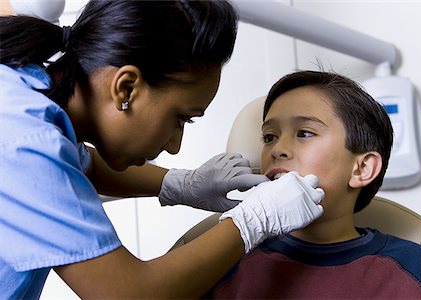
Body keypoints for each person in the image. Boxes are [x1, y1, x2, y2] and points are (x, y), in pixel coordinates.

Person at [0, 1, 326, 298]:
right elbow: (132, 294)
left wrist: (178, 184)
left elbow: (77, 165)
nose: (174, 145)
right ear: (126, 87)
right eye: (180, 119)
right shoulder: (25, 140)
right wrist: (254, 221)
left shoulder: (30, 96)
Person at [205, 70, 421, 299]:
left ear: (362, 168)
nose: (277, 149)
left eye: (304, 133)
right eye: (270, 137)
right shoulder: (221, 263)